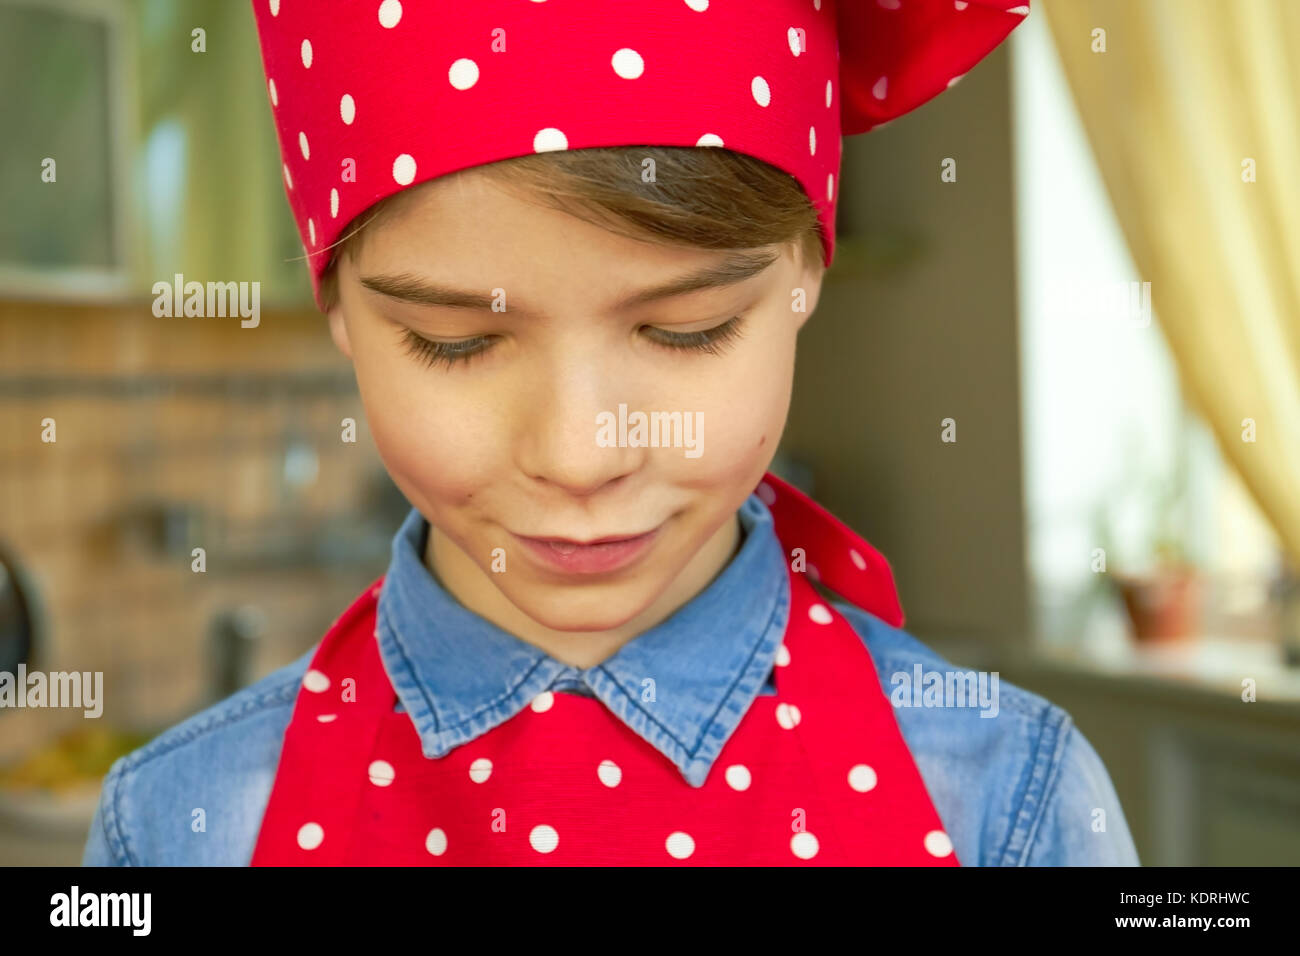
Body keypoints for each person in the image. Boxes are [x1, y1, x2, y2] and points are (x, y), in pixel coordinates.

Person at [83, 0, 1139, 865]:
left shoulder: (1008, 797)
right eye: (457, 342)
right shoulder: (183, 822)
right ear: (342, 310)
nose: (582, 454)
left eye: (686, 331)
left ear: (807, 274)